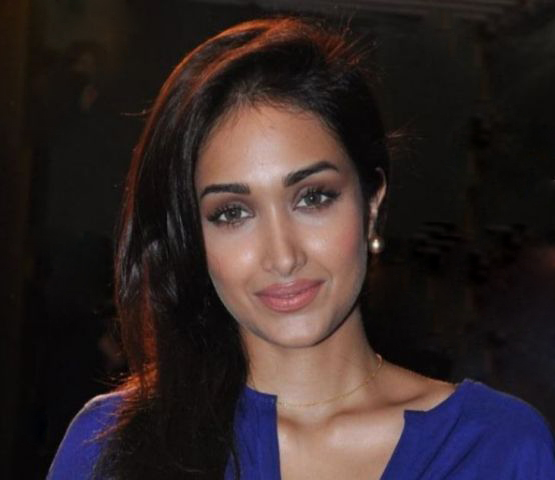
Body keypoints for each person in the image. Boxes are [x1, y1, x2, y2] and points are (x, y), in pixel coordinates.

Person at [47, 16, 555, 480]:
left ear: (371, 204)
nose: (283, 255)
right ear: (193, 238)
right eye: (232, 213)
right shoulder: (112, 447)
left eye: (313, 198)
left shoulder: (497, 450)